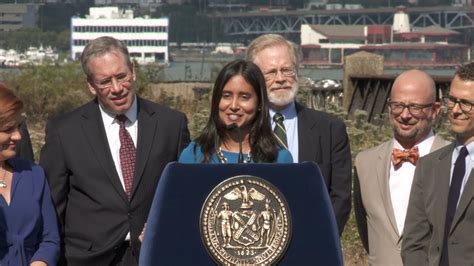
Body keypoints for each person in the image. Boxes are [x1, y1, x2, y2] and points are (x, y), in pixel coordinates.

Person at [39, 36, 190, 265]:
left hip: (154, 255)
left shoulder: (171, 124)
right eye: (105, 82)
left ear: (133, 70)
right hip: (88, 258)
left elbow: (182, 195)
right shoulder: (64, 132)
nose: (117, 88)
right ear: (91, 85)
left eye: (121, 77)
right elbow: (53, 208)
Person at [246, 34, 352, 234]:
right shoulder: (242, 131)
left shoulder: (330, 129)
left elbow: (341, 198)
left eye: (287, 70)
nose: (280, 79)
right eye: (270, 72)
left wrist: (317, 240)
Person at [353, 70, 449, 265]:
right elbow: (366, 231)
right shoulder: (365, 163)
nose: (405, 115)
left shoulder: (455, 159)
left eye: (415, 107)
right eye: (397, 106)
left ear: (435, 110)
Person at [402, 62, 474, 265]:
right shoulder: (429, 166)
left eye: (466, 103)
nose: (455, 110)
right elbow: (414, 241)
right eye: (452, 100)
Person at [178, 59, 293, 164]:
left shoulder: (279, 159)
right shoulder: (193, 156)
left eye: (244, 97)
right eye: (226, 96)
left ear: (259, 104)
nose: (233, 106)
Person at [0, 83, 60, 265]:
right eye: (8, 129)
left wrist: (40, 262)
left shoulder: (33, 174)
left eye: (18, 127)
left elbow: (50, 240)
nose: (18, 136)